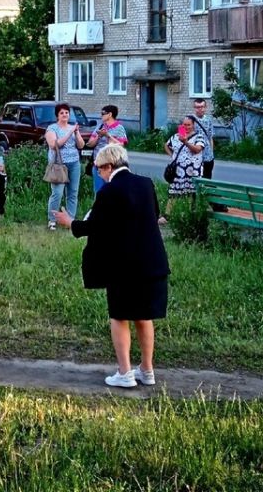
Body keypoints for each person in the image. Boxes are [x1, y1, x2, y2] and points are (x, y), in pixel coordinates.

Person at [55, 144, 169, 388]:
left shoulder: (109, 191)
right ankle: (147, 370)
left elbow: (95, 226)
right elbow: (153, 215)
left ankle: (125, 372)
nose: (99, 174)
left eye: (98, 169)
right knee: (144, 316)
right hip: (152, 261)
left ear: (108, 166)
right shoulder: (146, 184)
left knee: (120, 317)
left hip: (123, 265)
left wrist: (69, 223)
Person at [45, 102, 84, 230]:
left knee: (73, 192)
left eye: (66, 112)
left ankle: (70, 220)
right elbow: (54, 144)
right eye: (62, 113)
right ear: (57, 115)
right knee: (57, 193)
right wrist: (69, 133)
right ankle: (52, 220)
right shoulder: (52, 128)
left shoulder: (72, 128)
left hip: (74, 163)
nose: (64, 115)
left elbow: (81, 145)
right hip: (58, 165)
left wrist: (77, 133)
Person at [162, 115, 205, 224]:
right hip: (178, 171)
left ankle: (189, 215)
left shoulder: (199, 136)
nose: (186, 127)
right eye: (184, 125)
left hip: (192, 171)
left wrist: (186, 142)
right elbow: (166, 145)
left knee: (191, 193)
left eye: (188, 125)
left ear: (193, 125)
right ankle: (167, 215)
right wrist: (172, 156)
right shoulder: (176, 136)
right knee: (173, 192)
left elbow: (197, 149)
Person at [87, 105, 129, 192]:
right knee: (99, 192)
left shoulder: (119, 128)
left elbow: (121, 146)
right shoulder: (100, 126)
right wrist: (98, 136)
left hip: (112, 166)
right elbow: (90, 144)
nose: (101, 116)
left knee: (111, 192)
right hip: (98, 165)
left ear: (110, 114)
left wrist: (108, 136)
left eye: (103, 113)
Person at [190, 98, 216, 179]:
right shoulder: (189, 119)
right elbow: (181, 133)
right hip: (194, 154)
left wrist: (211, 152)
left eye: (202, 107)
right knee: (195, 177)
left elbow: (210, 137)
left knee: (207, 177)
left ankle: (207, 191)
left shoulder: (208, 120)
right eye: (197, 107)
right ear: (194, 108)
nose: (200, 109)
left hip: (207, 156)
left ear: (205, 107)